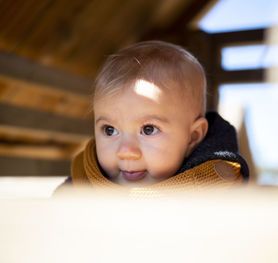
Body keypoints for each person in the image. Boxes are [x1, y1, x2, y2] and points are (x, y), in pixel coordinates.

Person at [55, 40, 248, 195]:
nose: (126, 151)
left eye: (148, 129)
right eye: (109, 130)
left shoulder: (212, 186)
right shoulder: (85, 178)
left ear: (193, 137)